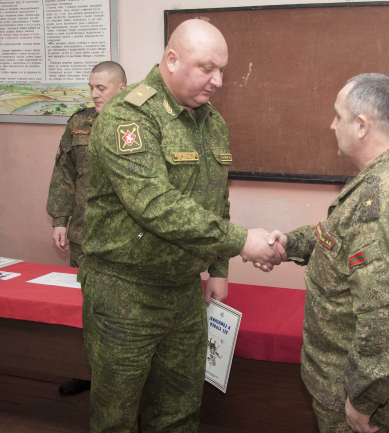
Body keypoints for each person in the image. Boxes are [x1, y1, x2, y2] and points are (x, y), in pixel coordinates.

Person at [78, 19, 284, 432]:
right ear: (171, 60)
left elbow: (216, 200)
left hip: (184, 294)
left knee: (179, 412)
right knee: (116, 417)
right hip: (125, 293)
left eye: (222, 70)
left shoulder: (212, 123)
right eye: (207, 68)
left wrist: (219, 269)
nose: (218, 81)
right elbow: (155, 204)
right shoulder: (128, 116)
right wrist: (242, 241)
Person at [267, 74, 389, 433]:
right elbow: (339, 239)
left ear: (361, 125)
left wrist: (363, 400)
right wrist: (288, 244)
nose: (331, 125)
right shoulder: (386, 173)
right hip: (355, 383)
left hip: (366, 402)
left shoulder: (386, 198)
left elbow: (388, 315)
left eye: (338, 115)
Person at [46, 60, 127, 396]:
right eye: (91, 87)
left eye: (101, 88)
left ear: (121, 88)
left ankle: (120, 381)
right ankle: (86, 373)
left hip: (123, 241)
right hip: (83, 236)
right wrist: (59, 220)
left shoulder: (139, 123)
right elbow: (64, 172)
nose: (94, 94)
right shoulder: (79, 123)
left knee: (120, 313)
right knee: (84, 310)